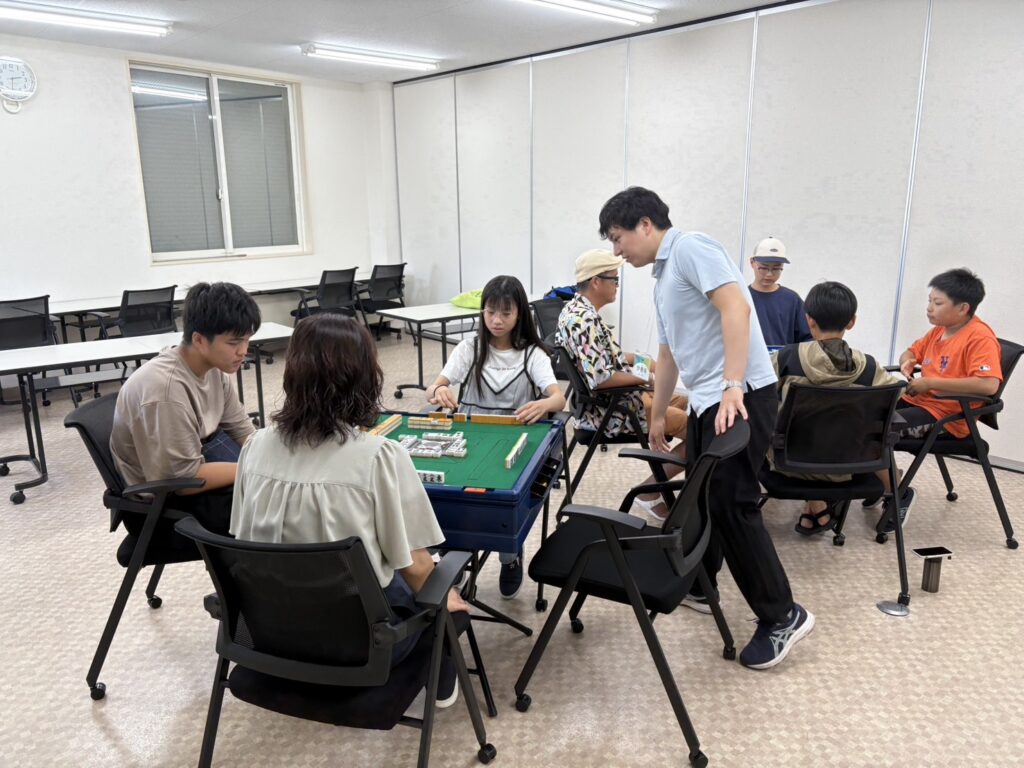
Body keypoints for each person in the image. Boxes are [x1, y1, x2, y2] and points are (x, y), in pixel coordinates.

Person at [599, 186, 813, 671]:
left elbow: (736, 308)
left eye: (618, 237)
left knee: (733, 502)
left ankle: (783, 615)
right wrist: (657, 415)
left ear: (645, 225)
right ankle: (702, 583)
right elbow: (669, 351)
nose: (616, 250)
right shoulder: (662, 277)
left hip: (741, 395)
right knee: (702, 497)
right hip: (706, 401)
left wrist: (734, 384)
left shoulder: (691, 248)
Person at [230, 314, 468, 708]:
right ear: (364, 377)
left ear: (292, 375)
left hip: (267, 635)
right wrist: (448, 593)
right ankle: (440, 682)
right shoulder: (379, 457)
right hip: (362, 648)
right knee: (437, 592)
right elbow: (416, 568)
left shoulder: (253, 447)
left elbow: (243, 540)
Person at [426, 275, 566, 600]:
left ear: (520, 314)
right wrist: (439, 390)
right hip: (470, 438)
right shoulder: (469, 348)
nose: (497, 320)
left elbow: (558, 398)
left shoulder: (533, 354)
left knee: (504, 503)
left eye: (506, 312)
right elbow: (435, 386)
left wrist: (544, 404)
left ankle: (509, 555)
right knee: (453, 494)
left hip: (514, 441)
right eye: (490, 312)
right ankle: (453, 550)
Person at [110, 281, 261, 541]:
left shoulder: (213, 370)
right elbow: (184, 480)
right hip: (162, 510)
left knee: (284, 493)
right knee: (276, 508)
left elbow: (244, 431)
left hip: (195, 476)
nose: (243, 351)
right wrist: (257, 469)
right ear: (199, 340)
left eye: (247, 340)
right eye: (234, 342)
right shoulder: (165, 390)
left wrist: (279, 458)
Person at [556, 248, 688, 522]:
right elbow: (602, 378)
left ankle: (665, 480)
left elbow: (610, 357)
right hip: (611, 410)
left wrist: (644, 361)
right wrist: (645, 378)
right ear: (596, 282)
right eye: (614, 279)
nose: (618, 285)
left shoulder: (578, 310)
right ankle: (650, 492)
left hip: (616, 400)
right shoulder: (583, 321)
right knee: (698, 429)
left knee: (685, 402)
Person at [870, 268, 1003, 532]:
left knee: (875, 429)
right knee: (860, 413)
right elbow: (911, 351)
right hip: (920, 403)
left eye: (937, 303)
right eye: (929, 301)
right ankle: (885, 481)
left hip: (947, 417)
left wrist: (931, 383)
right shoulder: (940, 330)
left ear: (963, 308)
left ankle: (897, 491)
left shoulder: (979, 337)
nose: (929, 308)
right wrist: (908, 361)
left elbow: (989, 384)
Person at [770, 281, 903, 535]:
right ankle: (820, 504)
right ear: (852, 322)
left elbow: (756, 396)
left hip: (789, 463)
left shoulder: (786, 359)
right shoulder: (870, 368)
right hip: (848, 465)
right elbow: (896, 394)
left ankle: (816, 505)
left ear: (809, 320)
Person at [748, 236, 813, 347]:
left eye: (776, 269)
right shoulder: (742, 297)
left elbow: (808, 338)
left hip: (784, 358)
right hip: (749, 357)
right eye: (763, 268)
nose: (769, 274)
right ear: (752, 262)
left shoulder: (792, 300)